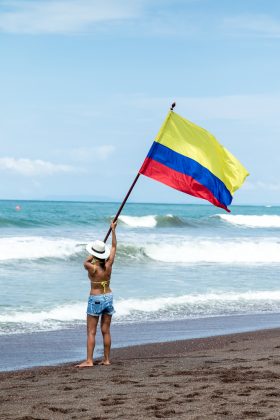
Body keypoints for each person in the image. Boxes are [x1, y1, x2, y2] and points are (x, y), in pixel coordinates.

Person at [76, 221, 117, 368]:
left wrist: (93, 254)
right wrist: (113, 230)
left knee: (91, 331)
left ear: (94, 254)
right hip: (108, 297)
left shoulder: (91, 267)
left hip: (96, 299)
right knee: (105, 330)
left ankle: (89, 360)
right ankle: (106, 359)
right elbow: (113, 247)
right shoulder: (109, 265)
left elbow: (85, 261)